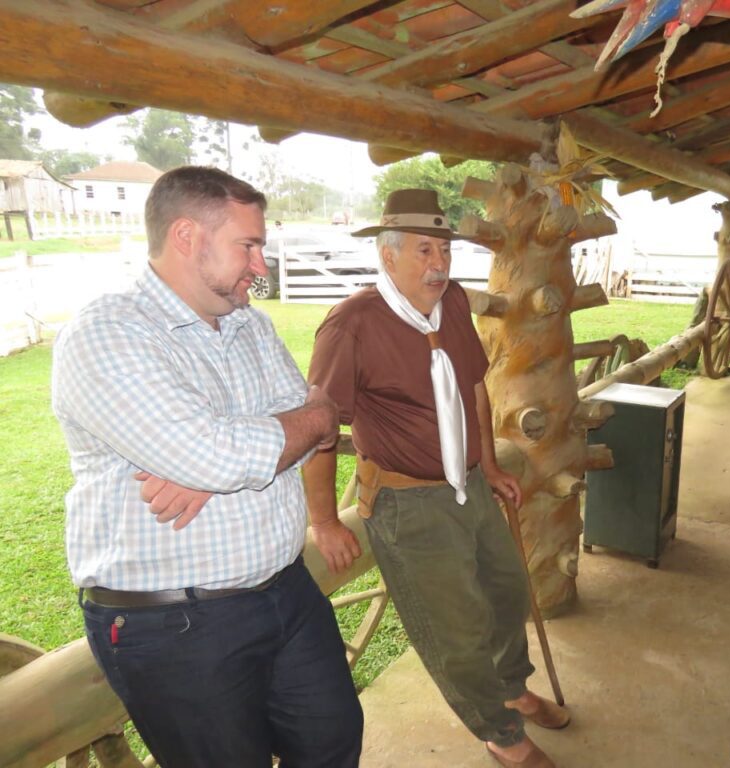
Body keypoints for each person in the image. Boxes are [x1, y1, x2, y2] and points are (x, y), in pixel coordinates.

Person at [51, 166, 363, 768]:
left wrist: (251, 444)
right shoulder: (107, 331)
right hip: (174, 623)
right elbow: (223, 452)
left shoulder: (250, 323)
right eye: (248, 245)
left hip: (287, 591)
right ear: (187, 236)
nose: (261, 265)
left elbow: (303, 417)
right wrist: (267, 438)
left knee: (333, 745)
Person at [303, 189, 570, 768]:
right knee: (456, 628)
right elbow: (320, 428)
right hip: (407, 502)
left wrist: (492, 465)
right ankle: (499, 732)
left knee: (506, 591)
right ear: (387, 255)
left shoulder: (449, 303)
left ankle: (511, 685)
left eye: (444, 249)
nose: (439, 262)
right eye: (424, 250)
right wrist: (323, 521)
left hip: (468, 482)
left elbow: (473, 385)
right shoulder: (351, 325)